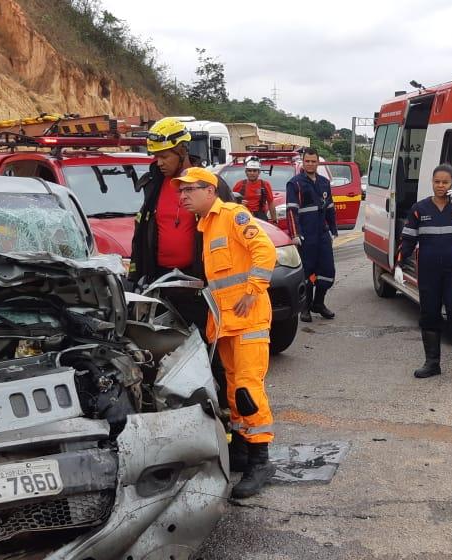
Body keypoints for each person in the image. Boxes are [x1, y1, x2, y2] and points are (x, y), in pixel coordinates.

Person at [176, 166, 278, 499]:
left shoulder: (233, 215)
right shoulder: (205, 226)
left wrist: (254, 287)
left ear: (209, 190)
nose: (183, 196)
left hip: (248, 320)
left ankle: (260, 460)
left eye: (189, 190)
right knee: (234, 390)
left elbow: (265, 251)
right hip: (225, 324)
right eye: (181, 191)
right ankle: (243, 451)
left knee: (248, 389)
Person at [130, 116, 234, 327]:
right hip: (160, 281)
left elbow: (230, 229)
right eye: (155, 156)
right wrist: (136, 274)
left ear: (182, 151)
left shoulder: (209, 185)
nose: (158, 162)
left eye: (164, 156)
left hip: (197, 282)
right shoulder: (153, 184)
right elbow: (142, 232)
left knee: (203, 343)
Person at [396, 164, 452, 384]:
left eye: (445, 182)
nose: (440, 186)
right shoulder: (419, 209)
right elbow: (408, 240)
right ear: (432, 182)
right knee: (429, 316)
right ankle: (432, 363)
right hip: (429, 273)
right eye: (437, 182)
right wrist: (398, 265)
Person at [286, 148, 338, 321]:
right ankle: (306, 308)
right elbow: (291, 211)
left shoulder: (324, 182)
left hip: (322, 234)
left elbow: (330, 207)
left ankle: (319, 303)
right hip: (306, 236)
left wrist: (333, 229)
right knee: (308, 273)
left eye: (313, 161)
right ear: (303, 162)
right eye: (307, 161)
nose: (310, 164)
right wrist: (295, 234)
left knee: (328, 271)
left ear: (318, 162)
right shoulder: (295, 184)